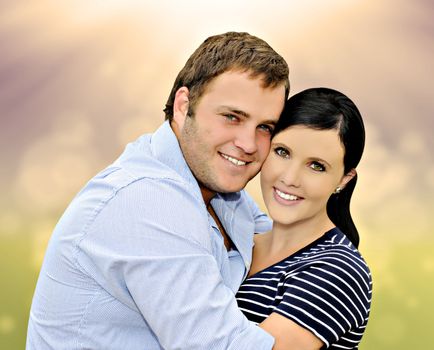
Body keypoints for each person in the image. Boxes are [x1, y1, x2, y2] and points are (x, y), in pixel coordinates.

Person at [26, 32, 289, 349]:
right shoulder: (146, 200)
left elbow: (295, 250)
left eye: (265, 128)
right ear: (183, 105)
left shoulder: (223, 197)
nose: (248, 144)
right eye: (232, 117)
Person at [236, 88, 372, 349]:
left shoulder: (339, 270)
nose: (290, 178)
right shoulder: (238, 239)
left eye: (316, 166)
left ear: (344, 179)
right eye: (282, 152)